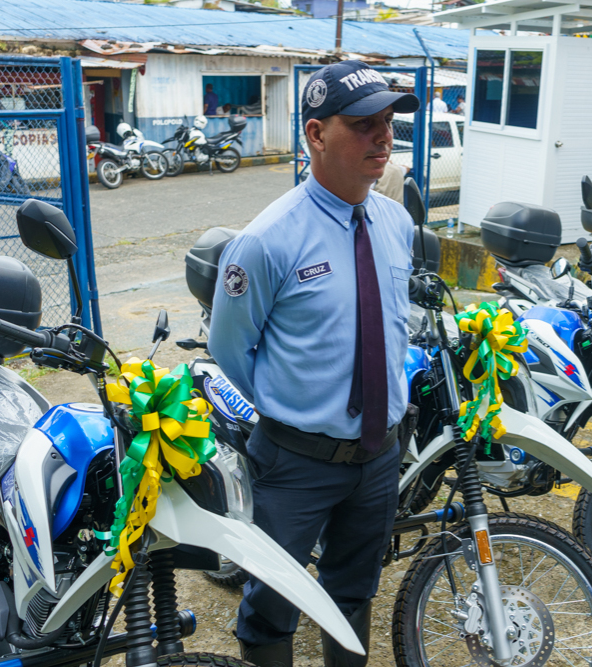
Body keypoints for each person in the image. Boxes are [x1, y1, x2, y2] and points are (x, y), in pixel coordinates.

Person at [209, 60, 419, 667]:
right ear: (315, 134)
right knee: (271, 608)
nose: (383, 137)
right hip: (297, 462)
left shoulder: (395, 223)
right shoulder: (267, 241)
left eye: (388, 121)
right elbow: (230, 348)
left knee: (353, 593)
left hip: (378, 456)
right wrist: (294, 408)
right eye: (363, 124)